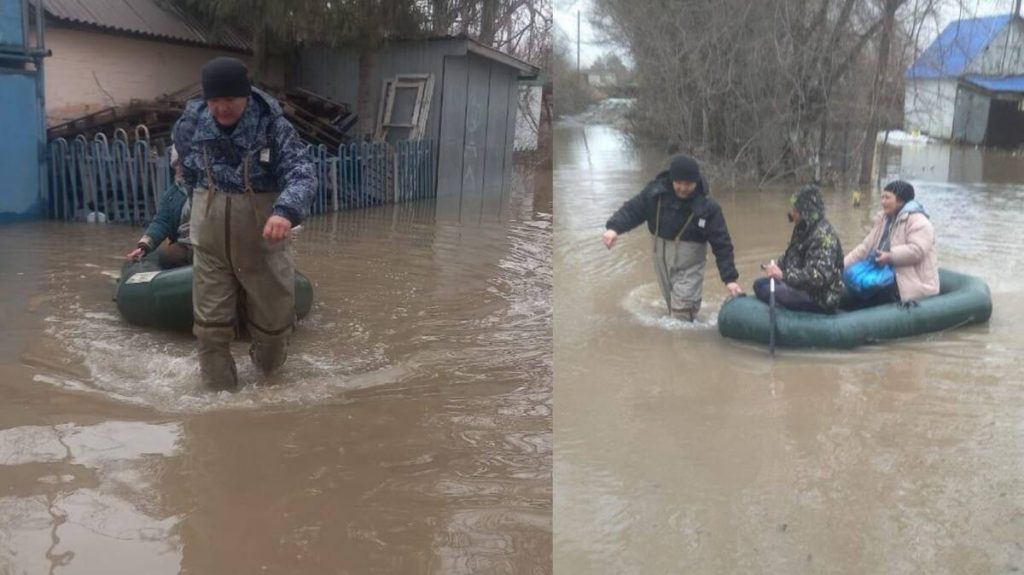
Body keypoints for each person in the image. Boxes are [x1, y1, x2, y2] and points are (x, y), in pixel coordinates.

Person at [173, 56, 316, 391]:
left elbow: (302, 174)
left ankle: (267, 390)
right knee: (209, 331)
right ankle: (219, 408)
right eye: (215, 100)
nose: (221, 108)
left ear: (246, 96)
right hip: (211, 245)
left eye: (230, 100)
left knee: (272, 334)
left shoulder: (272, 127)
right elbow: (188, 177)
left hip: (263, 242)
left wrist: (285, 211)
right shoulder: (191, 126)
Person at [603, 155, 742, 321]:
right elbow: (633, 210)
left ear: (696, 182)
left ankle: (683, 344)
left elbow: (722, 244)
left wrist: (730, 279)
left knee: (681, 318)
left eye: (688, 184)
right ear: (671, 179)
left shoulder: (708, 208)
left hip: (690, 266)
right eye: (679, 183)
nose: (683, 188)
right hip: (661, 260)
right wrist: (614, 228)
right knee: (673, 310)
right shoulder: (654, 194)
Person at [844, 180, 938, 306]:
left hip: (911, 282)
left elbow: (917, 251)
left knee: (873, 292)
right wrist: (842, 264)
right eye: (882, 197)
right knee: (854, 281)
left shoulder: (918, 221)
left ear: (900, 200)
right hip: (886, 273)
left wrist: (890, 257)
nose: (883, 202)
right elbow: (865, 247)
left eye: (887, 197)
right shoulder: (883, 219)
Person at [754, 185, 844, 314]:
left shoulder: (824, 236)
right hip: (802, 288)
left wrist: (783, 275)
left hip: (820, 298)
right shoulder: (802, 228)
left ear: (805, 211)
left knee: (764, 288)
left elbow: (818, 277)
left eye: (795, 209)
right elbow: (792, 256)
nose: (792, 213)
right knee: (760, 284)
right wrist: (776, 267)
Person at [125, 146, 193, 269]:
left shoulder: (208, 187)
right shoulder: (171, 195)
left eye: (185, 163)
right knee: (167, 256)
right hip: (185, 244)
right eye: (177, 164)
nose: (181, 168)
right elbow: (161, 222)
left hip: (209, 244)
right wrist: (144, 245)